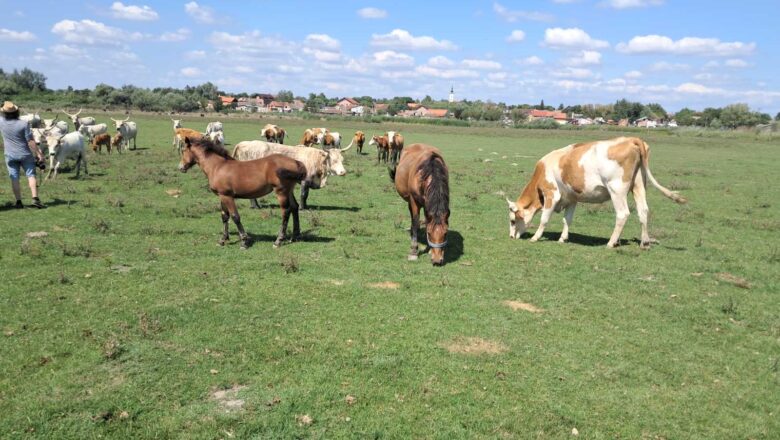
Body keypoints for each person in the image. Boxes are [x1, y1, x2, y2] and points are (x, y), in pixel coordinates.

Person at [0, 101, 45, 208]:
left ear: (4, 113)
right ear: (17, 112)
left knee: (14, 177)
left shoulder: (1, 122)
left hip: (10, 155)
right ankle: (35, 199)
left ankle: (18, 201)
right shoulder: (24, 124)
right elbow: (30, 141)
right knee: (31, 175)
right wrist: (39, 154)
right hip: (25, 154)